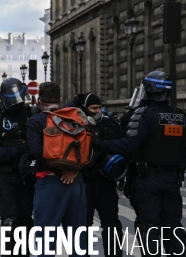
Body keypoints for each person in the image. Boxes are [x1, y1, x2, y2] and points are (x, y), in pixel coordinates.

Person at [93, 71, 186, 256]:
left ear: (149, 90)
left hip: (148, 178)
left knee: (149, 227)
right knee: (173, 228)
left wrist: (100, 144)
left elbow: (130, 145)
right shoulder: (180, 116)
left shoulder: (145, 114)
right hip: (172, 179)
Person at [26, 82, 87, 256]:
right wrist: (74, 169)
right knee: (78, 238)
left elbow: (37, 152)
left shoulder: (36, 121)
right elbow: (88, 148)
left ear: (39, 101)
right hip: (75, 181)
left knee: (46, 237)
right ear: (60, 99)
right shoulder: (75, 118)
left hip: (49, 181)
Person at [0, 78, 33, 255]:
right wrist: (18, 150)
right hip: (4, 175)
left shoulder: (30, 114)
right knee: (9, 221)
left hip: (26, 175)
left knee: (25, 220)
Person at [71, 93, 124, 257]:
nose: (98, 111)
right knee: (82, 225)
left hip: (106, 181)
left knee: (112, 224)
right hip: (85, 181)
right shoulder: (76, 126)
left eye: (99, 107)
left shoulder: (109, 124)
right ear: (84, 109)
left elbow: (121, 145)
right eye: (94, 108)